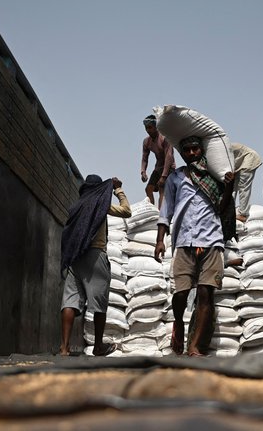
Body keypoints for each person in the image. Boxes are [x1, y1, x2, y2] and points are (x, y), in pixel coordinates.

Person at [154, 136, 234, 356]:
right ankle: (178, 322)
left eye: (195, 149)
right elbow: (166, 211)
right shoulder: (176, 178)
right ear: (183, 153)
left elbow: (222, 208)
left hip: (212, 240)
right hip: (184, 241)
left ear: (202, 150)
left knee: (206, 293)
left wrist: (228, 187)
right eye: (187, 150)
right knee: (181, 293)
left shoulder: (214, 176)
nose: (191, 153)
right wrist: (160, 240)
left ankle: (196, 346)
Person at [59, 174, 131, 357]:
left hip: (75, 257)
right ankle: (98, 346)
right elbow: (126, 211)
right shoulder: (101, 205)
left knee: (70, 301)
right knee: (99, 303)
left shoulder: (75, 207)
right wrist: (117, 189)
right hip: (95, 255)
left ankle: (64, 348)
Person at [141, 114, 176, 208]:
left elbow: (169, 157)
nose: (148, 130)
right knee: (148, 189)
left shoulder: (164, 138)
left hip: (168, 167)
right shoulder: (146, 142)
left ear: (156, 127)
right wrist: (143, 171)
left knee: (162, 189)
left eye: (150, 127)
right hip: (158, 167)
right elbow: (144, 158)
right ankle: (152, 212)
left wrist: (164, 176)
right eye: (146, 128)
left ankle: (161, 215)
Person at [230, 142, 263, 222]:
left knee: (243, 187)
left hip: (249, 159)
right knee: (231, 188)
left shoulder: (220, 151)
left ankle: (243, 214)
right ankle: (230, 210)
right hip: (239, 164)